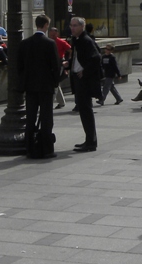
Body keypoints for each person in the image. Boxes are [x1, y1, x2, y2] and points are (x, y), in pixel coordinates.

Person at [18, 14, 63, 158]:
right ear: (46, 25)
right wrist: (55, 82)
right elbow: (55, 66)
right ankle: (47, 149)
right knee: (46, 117)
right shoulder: (50, 43)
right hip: (46, 86)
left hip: (30, 86)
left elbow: (20, 66)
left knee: (30, 117)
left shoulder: (25, 43)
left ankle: (29, 148)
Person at [67, 17, 101, 152]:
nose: (72, 28)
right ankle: (89, 140)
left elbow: (96, 58)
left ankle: (91, 142)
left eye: (75, 25)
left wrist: (85, 71)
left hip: (84, 80)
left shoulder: (86, 40)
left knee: (86, 110)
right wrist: (69, 64)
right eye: (71, 25)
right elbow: (77, 58)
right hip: (78, 78)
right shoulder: (77, 40)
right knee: (83, 110)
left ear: (82, 27)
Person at [48, 27, 71, 109]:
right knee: (56, 83)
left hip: (59, 63)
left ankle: (50, 103)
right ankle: (61, 102)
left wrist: (68, 61)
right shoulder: (48, 41)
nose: (52, 36)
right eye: (51, 35)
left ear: (57, 34)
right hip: (51, 63)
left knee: (55, 82)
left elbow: (70, 50)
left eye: (54, 35)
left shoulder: (61, 42)